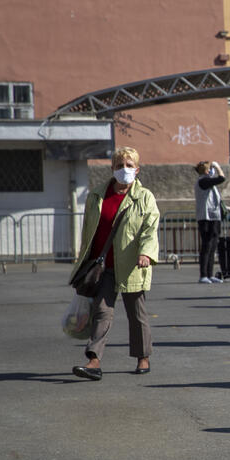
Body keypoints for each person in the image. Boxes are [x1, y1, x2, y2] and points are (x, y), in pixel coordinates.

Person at [71, 146, 160, 381]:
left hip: (132, 265)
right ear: (112, 168)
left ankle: (143, 356)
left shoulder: (145, 197)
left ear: (137, 170)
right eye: (120, 165)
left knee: (137, 314)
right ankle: (93, 360)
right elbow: (89, 231)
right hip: (103, 267)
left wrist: (146, 253)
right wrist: (84, 258)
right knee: (102, 312)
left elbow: (150, 229)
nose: (124, 170)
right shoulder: (97, 196)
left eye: (129, 166)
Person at [194, 160, 230, 283]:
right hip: (206, 218)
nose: (212, 171)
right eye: (210, 169)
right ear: (206, 171)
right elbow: (221, 178)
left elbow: (215, 199)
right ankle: (203, 275)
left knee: (213, 246)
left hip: (214, 217)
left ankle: (210, 274)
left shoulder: (209, 184)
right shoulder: (203, 181)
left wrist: (226, 208)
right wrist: (218, 166)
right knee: (206, 245)